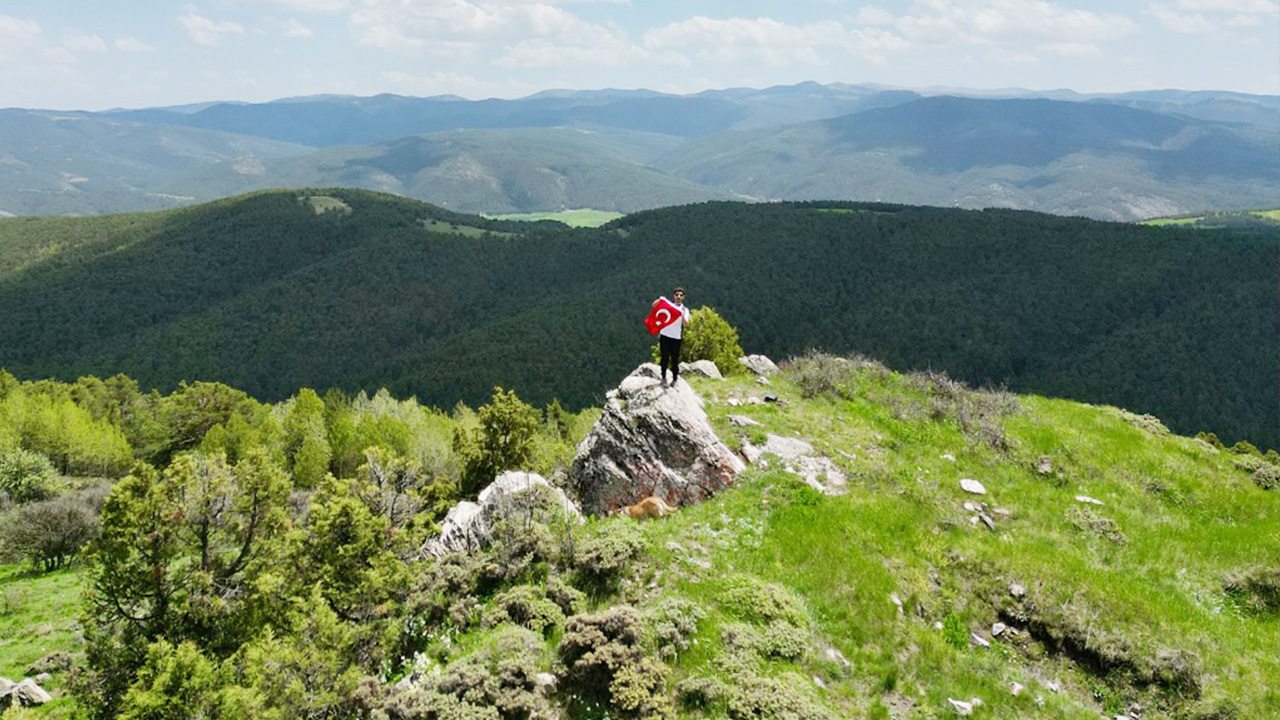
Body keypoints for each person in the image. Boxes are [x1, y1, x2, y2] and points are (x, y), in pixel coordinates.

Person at [655, 287, 691, 388]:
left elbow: (686, 324)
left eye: (680, 295)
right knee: (664, 357)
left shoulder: (685, 310)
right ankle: (663, 377)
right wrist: (660, 299)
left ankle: (675, 378)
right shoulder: (668, 306)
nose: (678, 297)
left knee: (674, 359)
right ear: (673, 296)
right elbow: (654, 306)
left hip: (676, 337)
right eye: (677, 295)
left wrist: (682, 315)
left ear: (683, 297)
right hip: (665, 335)